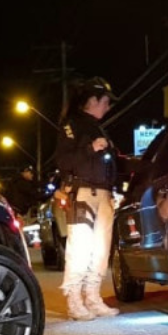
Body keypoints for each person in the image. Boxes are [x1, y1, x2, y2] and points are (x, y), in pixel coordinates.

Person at [54, 77, 121, 321]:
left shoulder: (98, 127)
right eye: (105, 102)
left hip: (104, 194)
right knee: (80, 248)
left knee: (101, 249)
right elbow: (63, 161)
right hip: (83, 193)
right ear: (92, 101)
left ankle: (93, 297)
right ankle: (74, 300)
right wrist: (90, 148)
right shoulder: (71, 125)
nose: (107, 107)